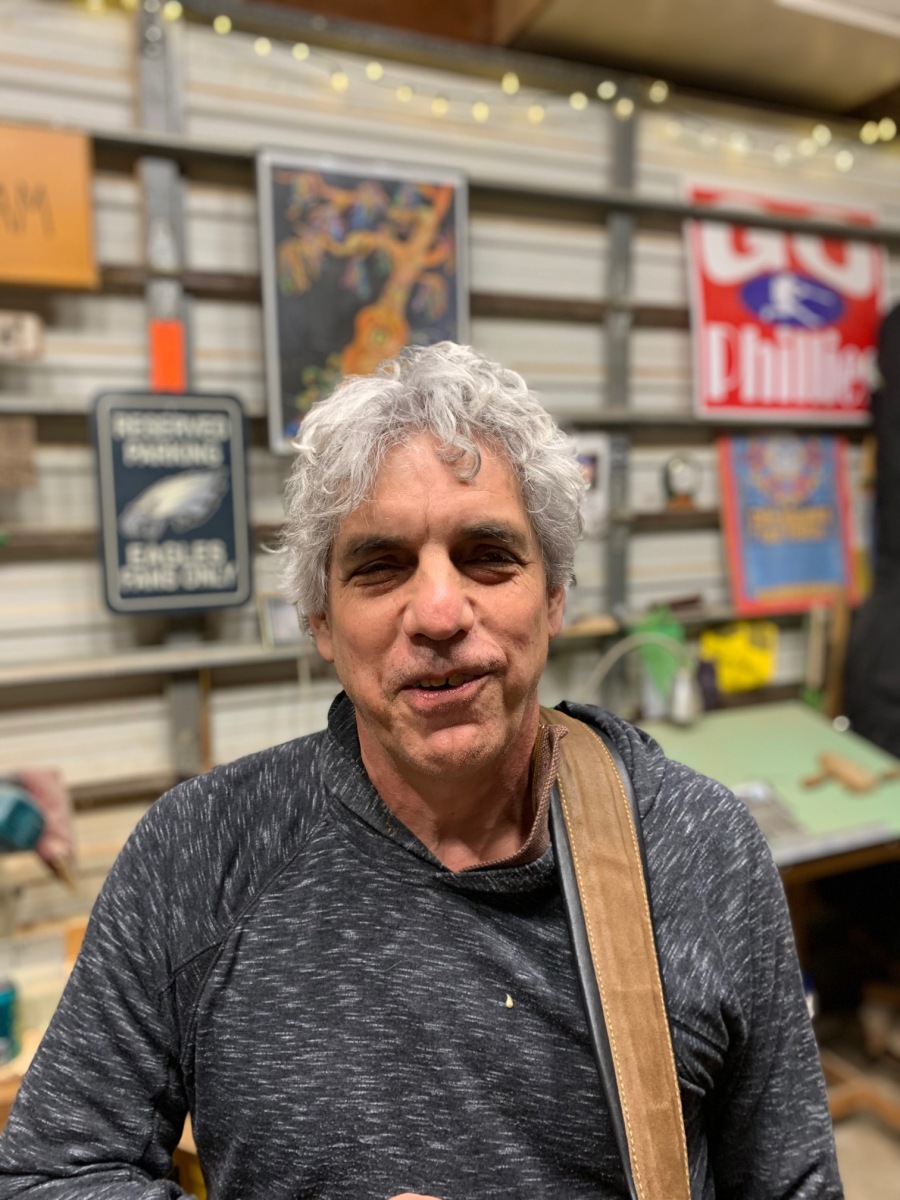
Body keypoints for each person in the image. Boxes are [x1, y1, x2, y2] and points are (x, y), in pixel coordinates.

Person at [0, 343, 841, 1198]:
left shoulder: (699, 850)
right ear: (321, 620)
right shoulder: (199, 853)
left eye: (487, 555)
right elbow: (48, 1175)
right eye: (381, 566)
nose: (439, 613)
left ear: (554, 595)